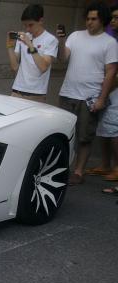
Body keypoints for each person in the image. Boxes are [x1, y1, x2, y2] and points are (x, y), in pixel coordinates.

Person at [57, 2, 118, 185]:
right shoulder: (75, 36)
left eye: (94, 19)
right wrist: (61, 40)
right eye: (88, 18)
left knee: (85, 137)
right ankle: (62, 168)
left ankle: (78, 172)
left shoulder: (110, 43)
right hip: (68, 93)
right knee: (65, 134)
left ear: (102, 20)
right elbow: (62, 57)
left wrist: (101, 98)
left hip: (89, 97)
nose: (89, 22)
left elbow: (111, 73)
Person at [6, 4, 58, 103]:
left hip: (36, 93)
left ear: (41, 21)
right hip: (17, 90)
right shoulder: (23, 38)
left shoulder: (50, 40)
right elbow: (14, 67)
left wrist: (30, 44)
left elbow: (43, 67)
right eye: (25, 25)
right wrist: (9, 47)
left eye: (31, 25)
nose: (28, 29)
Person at [92, 5, 118, 184]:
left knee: (115, 130)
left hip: (114, 90)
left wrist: (106, 88)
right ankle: (105, 164)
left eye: (117, 18)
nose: (114, 21)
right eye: (113, 17)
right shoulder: (112, 39)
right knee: (104, 128)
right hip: (108, 90)